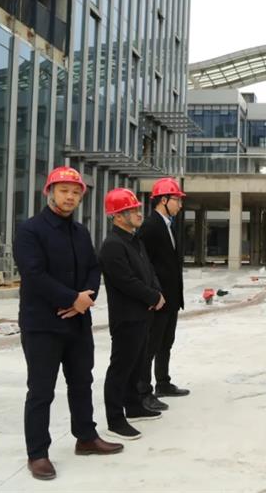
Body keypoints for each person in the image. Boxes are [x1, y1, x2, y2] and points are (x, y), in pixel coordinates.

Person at [13, 166, 123, 481]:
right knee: (41, 390)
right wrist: (71, 299)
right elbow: (34, 274)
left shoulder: (80, 232)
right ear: (49, 192)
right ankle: (38, 453)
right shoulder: (30, 231)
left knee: (81, 382)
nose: (70, 197)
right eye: (64, 191)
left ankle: (86, 437)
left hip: (77, 322)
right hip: (42, 324)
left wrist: (84, 299)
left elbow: (93, 268)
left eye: (75, 193)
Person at [98, 188, 165, 440]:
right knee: (121, 367)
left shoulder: (135, 241)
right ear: (117, 216)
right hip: (126, 317)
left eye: (137, 209)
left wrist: (157, 292)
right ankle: (115, 420)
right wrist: (152, 297)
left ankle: (134, 406)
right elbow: (126, 281)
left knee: (137, 364)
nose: (139, 214)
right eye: (132, 210)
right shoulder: (112, 246)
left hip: (143, 314)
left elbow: (149, 271)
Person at [137, 177, 189, 411]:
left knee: (166, 342)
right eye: (177, 200)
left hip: (171, 298)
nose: (180, 204)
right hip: (158, 299)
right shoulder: (150, 226)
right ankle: (143, 391)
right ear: (164, 200)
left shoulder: (169, 225)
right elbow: (144, 263)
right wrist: (152, 294)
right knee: (150, 346)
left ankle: (163, 382)